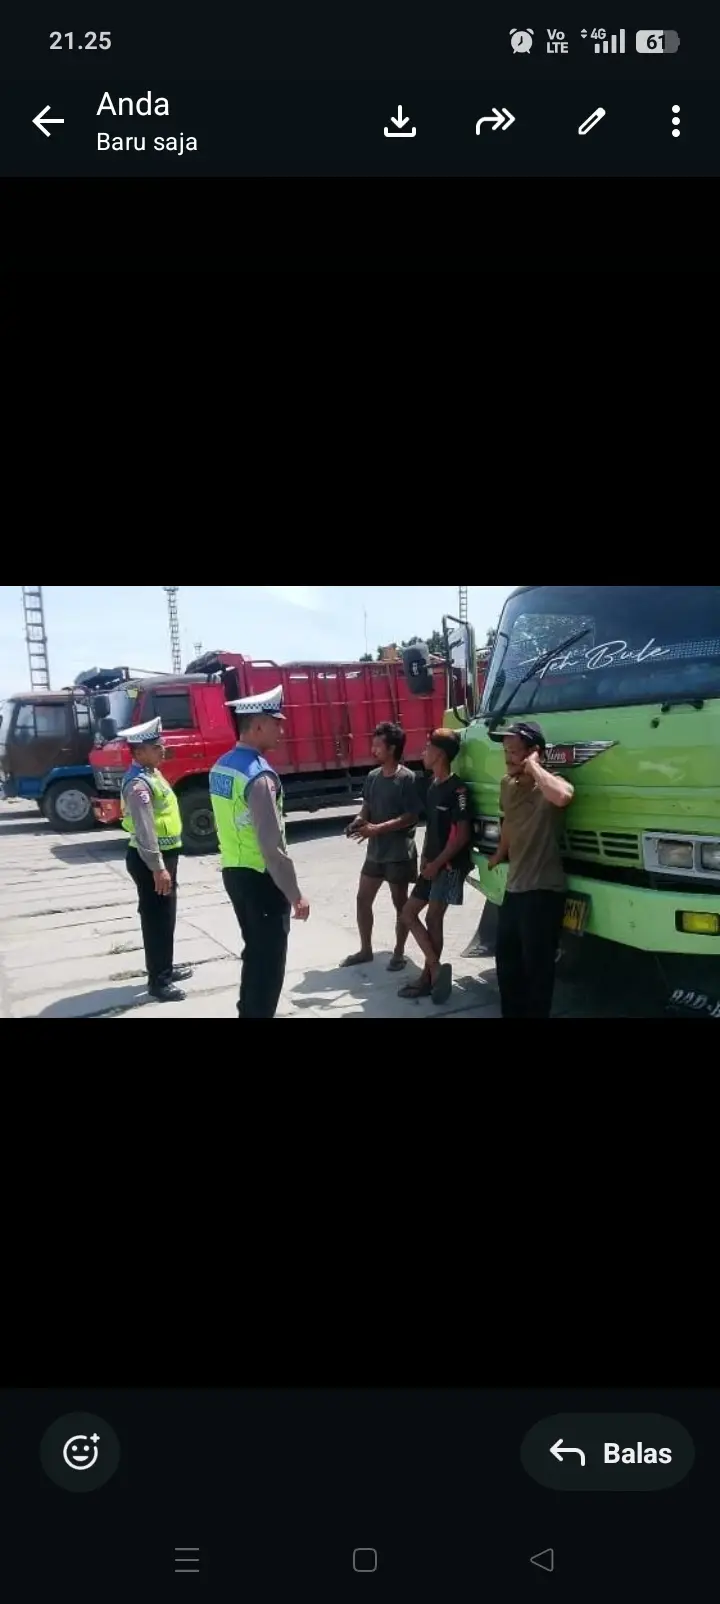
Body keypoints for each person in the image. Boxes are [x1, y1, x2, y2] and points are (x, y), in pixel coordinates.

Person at [210, 686, 310, 1019]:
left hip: (234, 871)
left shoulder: (221, 767)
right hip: (261, 879)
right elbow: (271, 846)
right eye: (276, 723)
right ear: (257, 726)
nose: (281, 729)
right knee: (268, 963)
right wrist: (295, 894)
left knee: (255, 953)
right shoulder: (258, 775)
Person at [487, 720, 574, 1020]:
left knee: (537, 969)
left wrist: (535, 766)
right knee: (507, 964)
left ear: (533, 752)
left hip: (543, 890)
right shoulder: (507, 785)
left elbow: (563, 796)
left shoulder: (551, 785)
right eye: (505, 752)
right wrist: (499, 853)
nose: (508, 758)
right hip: (514, 888)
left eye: (514, 752)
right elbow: (509, 823)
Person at [119, 717, 192, 1004]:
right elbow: (145, 830)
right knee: (157, 920)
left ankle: (165, 967)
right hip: (151, 860)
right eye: (156, 746)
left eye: (161, 744)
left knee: (166, 916)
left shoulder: (151, 772)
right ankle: (159, 982)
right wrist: (158, 868)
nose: (163, 749)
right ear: (139, 752)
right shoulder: (138, 784)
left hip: (163, 857)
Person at [399, 730, 473, 1006]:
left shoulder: (458, 791)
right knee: (408, 913)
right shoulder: (431, 786)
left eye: (427, 747)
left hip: (449, 865)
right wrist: (425, 859)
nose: (423, 752)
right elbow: (431, 828)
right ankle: (435, 968)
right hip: (431, 863)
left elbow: (461, 836)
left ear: (440, 754)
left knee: (433, 918)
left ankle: (428, 978)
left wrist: (438, 864)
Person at [342, 722, 420, 973]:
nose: (373, 750)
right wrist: (358, 821)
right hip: (375, 853)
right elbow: (367, 806)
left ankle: (398, 953)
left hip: (399, 854)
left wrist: (377, 829)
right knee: (362, 900)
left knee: (401, 906)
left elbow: (411, 816)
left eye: (378, 746)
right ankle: (365, 950)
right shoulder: (373, 777)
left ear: (392, 748)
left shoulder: (407, 778)